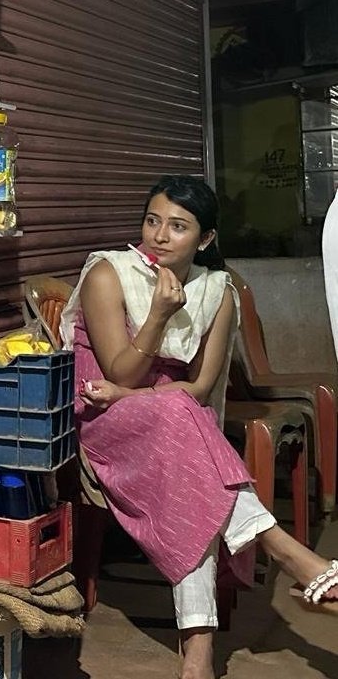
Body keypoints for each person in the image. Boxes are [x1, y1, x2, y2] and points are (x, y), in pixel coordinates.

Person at [59, 175, 338, 679]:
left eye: (178, 226)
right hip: (104, 416)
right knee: (185, 431)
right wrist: (158, 317)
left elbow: (201, 387)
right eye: (153, 221)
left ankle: (198, 657)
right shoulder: (108, 272)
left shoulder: (217, 290)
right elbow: (118, 373)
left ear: (205, 238)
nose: (160, 236)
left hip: (169, 418)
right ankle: (281, 548)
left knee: (190, 465)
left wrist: (138, 395)